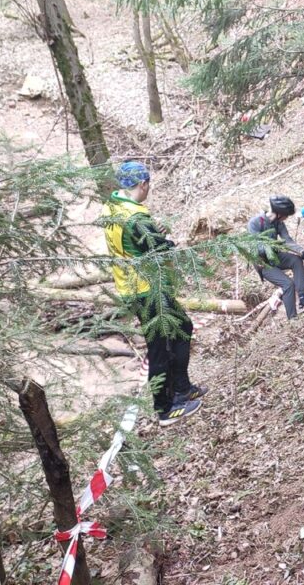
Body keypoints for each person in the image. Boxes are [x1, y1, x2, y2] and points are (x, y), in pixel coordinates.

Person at [103, 161, 206, 425]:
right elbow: (159, 249)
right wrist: (168, 240)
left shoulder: (113, 207)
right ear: (144, 184)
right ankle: (165, 408)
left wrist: (152, 233)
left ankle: (181, 388)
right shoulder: (135, 218)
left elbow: (135, 242)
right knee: (160, 347)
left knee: (181, 327)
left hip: (134, 286)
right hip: (147, 290)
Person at [247, 195, 304, 319]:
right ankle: (292, 317)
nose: (286, 218)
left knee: (296, 260)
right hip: (263, 263)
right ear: (280, 213)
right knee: (288, 284)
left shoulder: (278, 223)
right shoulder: (256, 222)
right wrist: (275, 245)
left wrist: (301, 251)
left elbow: (287, 240)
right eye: (286, 215)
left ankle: (303, 299)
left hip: (275, 256)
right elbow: (257, 246)